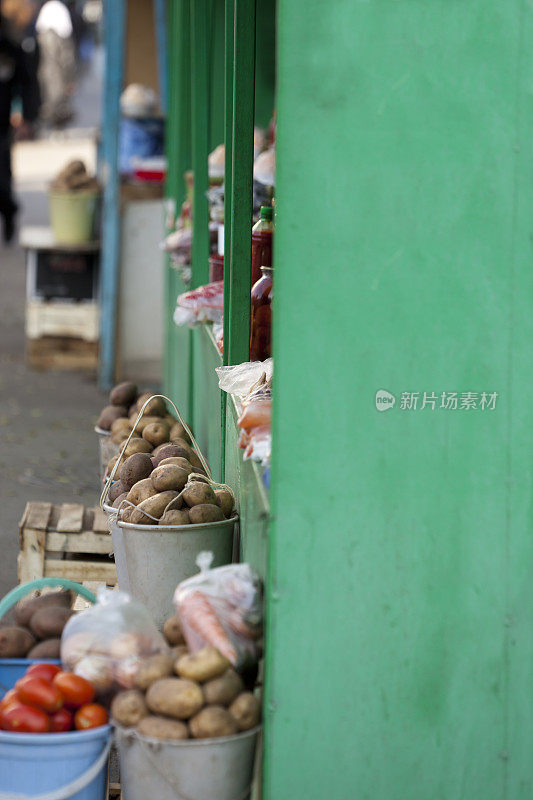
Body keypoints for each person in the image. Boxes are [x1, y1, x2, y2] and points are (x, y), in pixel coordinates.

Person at [0, 14, 39, 242]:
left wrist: (27, 117)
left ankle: (9, 213)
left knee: (2, 179)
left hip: (2, 126)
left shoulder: (9, 49)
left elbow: (27, 83)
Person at [35, 0, 76, 127]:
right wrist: (70, 78)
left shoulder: (43, 36)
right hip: (56, 78)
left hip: (48, 77)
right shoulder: (59, 11)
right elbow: (67, 58)